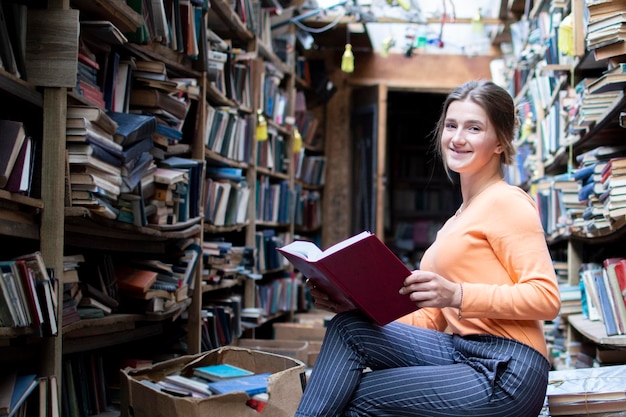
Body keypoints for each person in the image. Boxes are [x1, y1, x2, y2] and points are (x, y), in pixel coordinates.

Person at [294, 79, 561, 417]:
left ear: (500, 142)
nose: (458, 137)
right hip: (461, 352)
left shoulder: (507, 202)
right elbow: (429, 321)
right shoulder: (454, 223)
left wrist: (457, 294)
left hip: (508, 370)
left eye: (474, 128)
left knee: (358, 400)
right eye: (451, 125)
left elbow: (546, 298)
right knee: (349, 329)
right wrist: (351, 302)